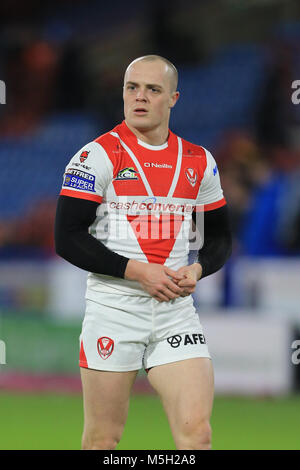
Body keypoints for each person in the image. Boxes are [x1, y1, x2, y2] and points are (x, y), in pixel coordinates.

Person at [55, 55, 232, 450]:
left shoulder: (199, 162)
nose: (140, 97)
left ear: (173, 98)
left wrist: (199, 269)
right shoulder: (96, 155)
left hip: (175, 314)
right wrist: (138, 271)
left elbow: (219, 237)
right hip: (114, 310)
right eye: (132, 87)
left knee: (197, 435)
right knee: (103, 440)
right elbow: (66, 237)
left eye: (153, 89)